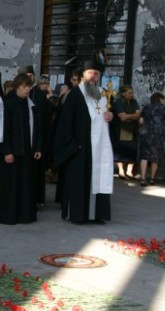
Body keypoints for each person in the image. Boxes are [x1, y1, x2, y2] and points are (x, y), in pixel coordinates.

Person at [54, 59, 114, 225]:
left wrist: (111, 117)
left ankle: (96, 214)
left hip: (100, 148)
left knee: (98, 179)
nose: (93, 76)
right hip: (80, 148)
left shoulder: (104, 95)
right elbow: (65, 123)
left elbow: (109, 120)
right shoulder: (74, 95)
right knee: (79, 182)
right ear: (83, 75)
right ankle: (78, 215)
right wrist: (73, 145)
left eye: (96, 74)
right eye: (90, 73)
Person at [0, 73, 42, 224]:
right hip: (12, 152)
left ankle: (24, 214)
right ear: (16, 87)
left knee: (25, 184)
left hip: (26, 151)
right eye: (24, 87)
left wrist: (37, 147)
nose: (27, 90)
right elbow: (4, 129)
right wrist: (7, 150)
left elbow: (36, 128)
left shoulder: (30, 104)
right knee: (11, 185)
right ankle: (9, 215)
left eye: (29, 86)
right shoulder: (8, 103)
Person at [18, 65, 48, 206]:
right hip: (21, 142)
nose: (30, 78)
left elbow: (45, 119)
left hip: (37, 138)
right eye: (27, 75)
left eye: (31, 75)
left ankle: (37, 199)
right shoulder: (15, 95)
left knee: (37, 172)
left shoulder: (39, 94)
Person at [112, 85, 141, 180]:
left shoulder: (134, 102)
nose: (131, 95)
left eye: (132, 93)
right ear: (123, 94)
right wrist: (133, 116)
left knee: (132, 150)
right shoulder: (118, 103)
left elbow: (138, 115)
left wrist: (129, 116)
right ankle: (121, 171)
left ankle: (129, 171)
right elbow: (122, 117)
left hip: (132, 130)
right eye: (129, 93)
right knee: (121, 151)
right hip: (121, 130)